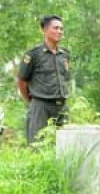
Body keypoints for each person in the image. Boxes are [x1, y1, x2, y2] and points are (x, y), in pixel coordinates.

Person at [17, 14, 71, 143]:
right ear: (44, 30)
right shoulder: (34, 54)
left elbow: (66, 79)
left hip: (61, 107)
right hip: (41, 106)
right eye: (56, 28)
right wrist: (32, 101)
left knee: (65, 147)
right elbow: (22, 81)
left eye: (61, 29)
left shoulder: (65, 55)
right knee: (38, 144)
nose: (59, 32)